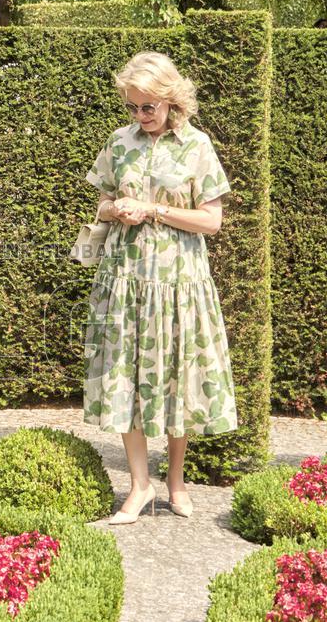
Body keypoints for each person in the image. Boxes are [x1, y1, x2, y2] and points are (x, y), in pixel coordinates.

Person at [82, 50, 239, 525]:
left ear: (171, 101)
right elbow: (103, 202)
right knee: (125, 375)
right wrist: (117, 209)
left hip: (178, 285)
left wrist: (152, 210)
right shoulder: (119, 142)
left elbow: (211, 221)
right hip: (126, 281)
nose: (140, 115)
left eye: (148, 106)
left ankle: (175, 483)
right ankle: (138, 486)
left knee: (175, 377)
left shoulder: (197, 146)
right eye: (132, 106)